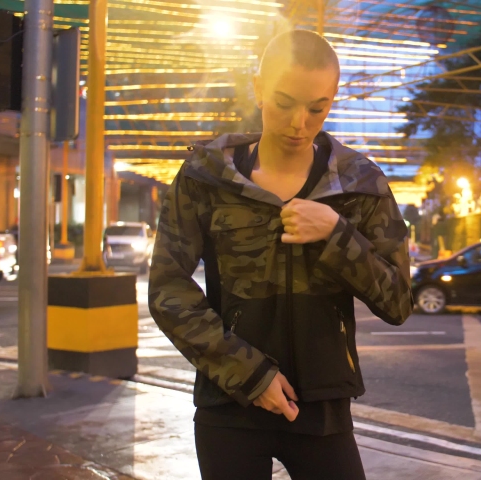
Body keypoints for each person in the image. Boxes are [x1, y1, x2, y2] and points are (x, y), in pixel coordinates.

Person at [148, 30, 413, 480]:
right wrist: (251, 375)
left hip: (322, 407)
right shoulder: (206, 177)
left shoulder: (359, 185)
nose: (299, 123)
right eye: (284, 103)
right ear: (258, 88)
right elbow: (167, 288)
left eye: (317, 108)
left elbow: (399, 301)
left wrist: (337, 234)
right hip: (229, 403)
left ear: (332, 100)